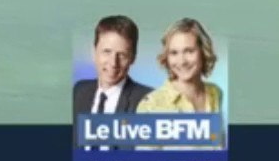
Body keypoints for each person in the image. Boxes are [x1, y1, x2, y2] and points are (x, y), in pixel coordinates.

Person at [136, 18, 224, 150]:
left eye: (189, 51)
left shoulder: (215, 93)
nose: (181, 61)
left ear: (203, 51)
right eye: (174, 53)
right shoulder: (151, 105)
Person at [73, 15, 153, 118]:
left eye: (122, 55)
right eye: (107, 51)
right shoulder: (79, 91)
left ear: (133, 58)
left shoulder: (149, 101)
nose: (113, 63)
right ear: (94, 52)